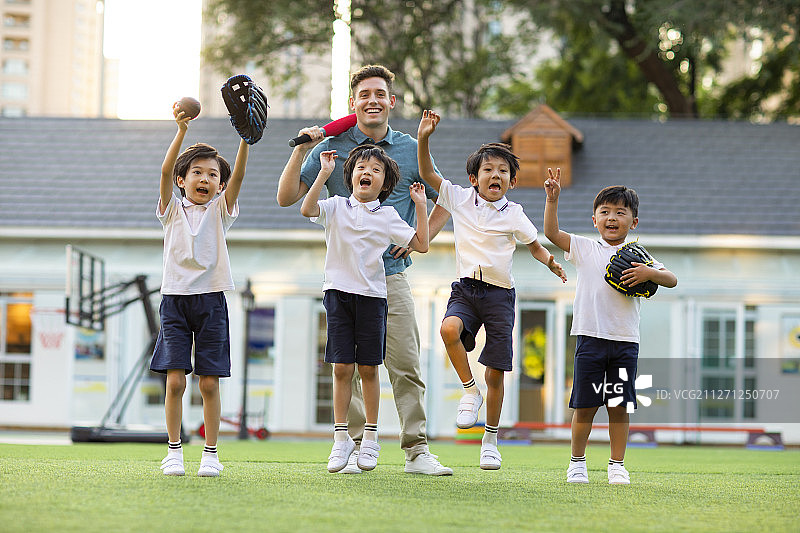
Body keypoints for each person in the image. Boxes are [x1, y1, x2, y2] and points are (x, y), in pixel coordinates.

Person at [277, 64, 453, 475]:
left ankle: (416, 451)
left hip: (392, 276)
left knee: (405, 363)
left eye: (380, 94)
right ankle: (355, 446)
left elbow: (447, 198)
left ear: (391, 102)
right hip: (347, 281)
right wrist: (301, 148)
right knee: (350, 366)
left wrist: (414, 233)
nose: (372, 100)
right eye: (364, 95)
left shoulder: (411, 149)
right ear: (352, 103)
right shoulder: (333, 148)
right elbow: (288, 198)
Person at [417, 110, 567, 470]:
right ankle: (469, 391)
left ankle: (491, 439)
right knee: (448, 329)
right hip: (466, 289)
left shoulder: (514, 212)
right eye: (488, 169)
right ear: (473, 178)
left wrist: (550, 262)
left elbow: (534, 244)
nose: (495, 174)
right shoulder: (457, 198)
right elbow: (427, 174)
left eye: (503, 171)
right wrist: (424, 138)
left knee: (496, 371)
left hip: (500, 295)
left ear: (511, 181)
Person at [543, 168, 677, 485]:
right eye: (605, 212)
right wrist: (552, 199)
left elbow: (670, 279)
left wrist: (649, 273)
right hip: (589, 341)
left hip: (625, 343)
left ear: (634, 222)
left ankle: (617, 465)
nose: (612, 217)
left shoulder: (639, 257)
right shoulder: (585, 248)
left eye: (620, 212)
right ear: (594, 220)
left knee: (618, 407)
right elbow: (551, 233)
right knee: (585, 406)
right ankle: (577, 464)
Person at [300, 145, 429, 472]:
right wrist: (323, 174)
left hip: (373, 298)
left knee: (369, 369)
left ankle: (370, 438)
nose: (366, 172)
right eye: (361, 167)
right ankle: (341, 439)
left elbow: (422, 244)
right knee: (342, 368)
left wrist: (421, 206)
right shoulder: (336, 206)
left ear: (384, 183)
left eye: (375, 169)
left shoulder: (387, 216)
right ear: (351, 176)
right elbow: (306, 209)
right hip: (337, 296)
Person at [151, 103, 249, 477]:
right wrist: (182, 130)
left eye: (212, 175)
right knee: (175, 380)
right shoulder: (171, 211)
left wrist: (245, 141)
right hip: (175, 301)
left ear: (220, 186)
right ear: (183, 180)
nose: (204, 178)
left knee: (208, 382)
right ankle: (174, 451)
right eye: (197, 173)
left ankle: (210, 453)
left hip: (211, 301)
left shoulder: (221, 211)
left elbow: (238, 177)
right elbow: (163, 170)